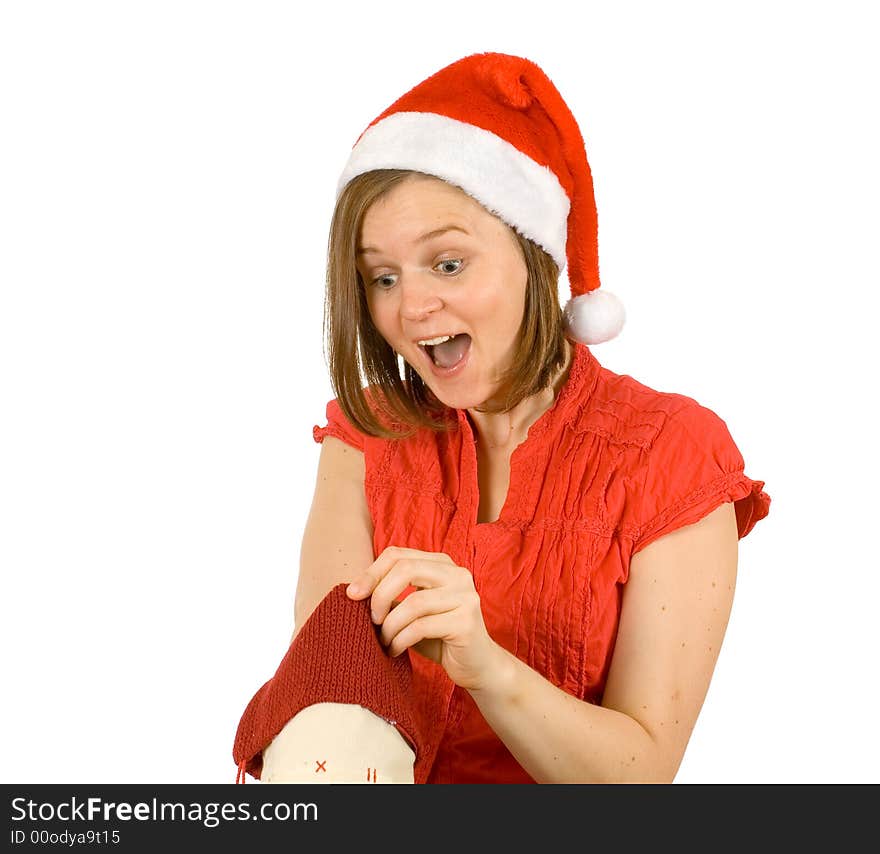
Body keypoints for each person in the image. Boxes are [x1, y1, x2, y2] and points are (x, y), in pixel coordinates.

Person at [233, 51, 771, 784]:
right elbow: (331, 707)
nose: (412, 307)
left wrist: (488, 667)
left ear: (535, 255)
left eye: (447, 264)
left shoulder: (669, 458)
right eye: (382, 277)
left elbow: (640, 776)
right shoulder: (367, 435)